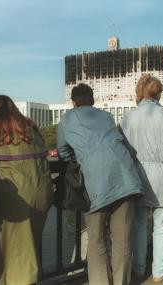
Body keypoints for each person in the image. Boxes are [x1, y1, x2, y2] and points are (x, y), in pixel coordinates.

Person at [57, 83, 142, 285]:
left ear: (74, 102)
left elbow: (63, 151)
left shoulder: (68, 118)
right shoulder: (105, 116)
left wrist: (80, 158)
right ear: (92, 99)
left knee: (96, 241)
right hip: (126, 178)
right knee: (122, 241)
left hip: (96, 182)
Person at [0, 95, 54, 285]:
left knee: (6, 250)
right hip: (40, 193)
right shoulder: (30, 128)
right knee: (29, 245)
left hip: (13, 197)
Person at [120, 74, 163, 282]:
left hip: (137, 174)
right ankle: (159, 271)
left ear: (140, 92)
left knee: (139, 225)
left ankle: (139, 268)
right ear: (158, 93)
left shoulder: (128, 117)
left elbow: (122, 146)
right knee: (162, 225)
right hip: (162, 174)